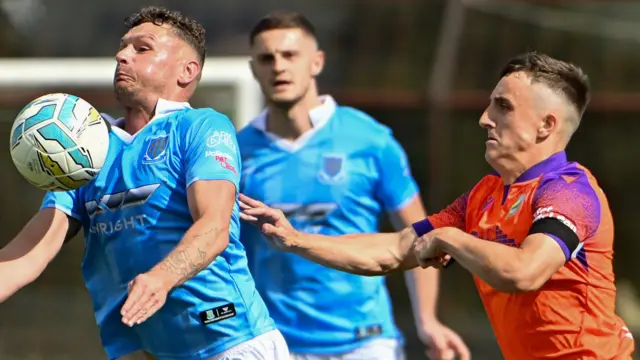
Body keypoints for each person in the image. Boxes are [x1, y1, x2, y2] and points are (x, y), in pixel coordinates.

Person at [239, 51, 636, 359]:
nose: (484, 118)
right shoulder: (485, 194)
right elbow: (395, 249)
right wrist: (294, 239)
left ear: (546, 126)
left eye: (503, 106)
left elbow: (524, 272)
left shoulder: (569, 191)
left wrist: (449, 239)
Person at [0, 6, 289, 360]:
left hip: (232, 343)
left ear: (187, 71)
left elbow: (214, 227)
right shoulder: (85, 150)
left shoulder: (201, 127)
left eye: (142, 48)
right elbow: (29, 254)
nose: (122, 55)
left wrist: (162, 277)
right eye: (123, 47)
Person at [237, 11, 469, 360]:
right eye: (267, 58)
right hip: (275, 343)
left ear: (316, 62)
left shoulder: (371, 140)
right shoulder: (236, 152)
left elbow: (421, 234)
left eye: (289, 55)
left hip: (365, 341)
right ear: (254, 69)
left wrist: (427, 320)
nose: (278, 67)